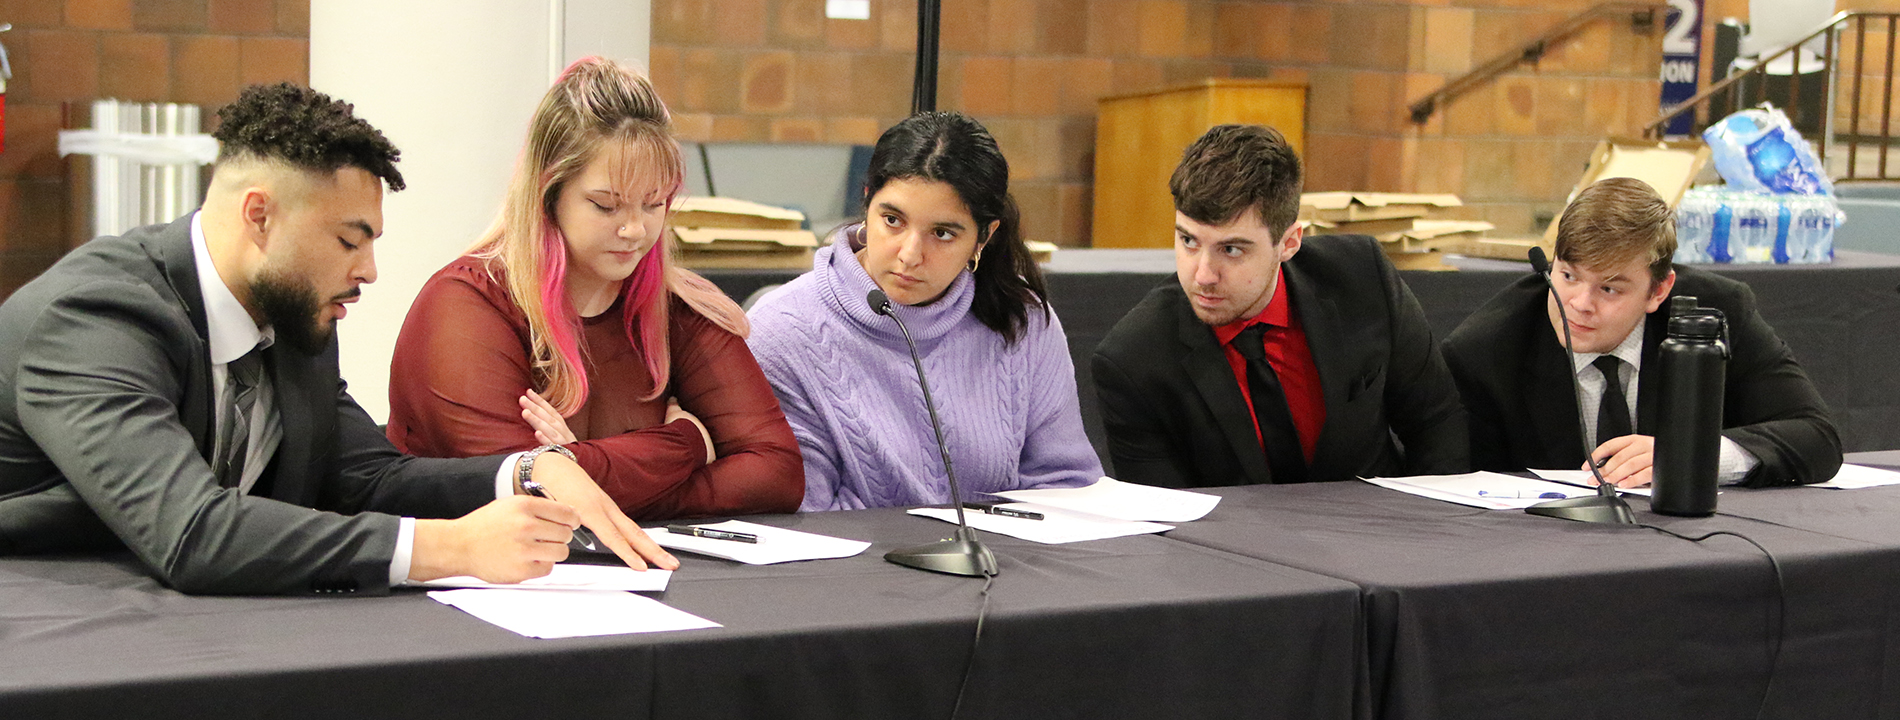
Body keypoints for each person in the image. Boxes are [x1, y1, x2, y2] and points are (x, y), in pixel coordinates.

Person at [0, 83, 675, 595]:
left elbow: (366, 477)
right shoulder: (92, 318)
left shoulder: (293, 314)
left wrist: (526, 471)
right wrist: (451, 549)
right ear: (259, 216)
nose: (369, 271)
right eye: (349, 240)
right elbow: (191, 531)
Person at [386, 58, 802, 520]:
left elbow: (777, 474)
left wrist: (583, 472)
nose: (635, 229)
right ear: (549, 194)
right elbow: (526, 492)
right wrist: (685, 444)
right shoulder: (466, 306)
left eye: (654, 203)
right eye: (606, 206)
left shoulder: (679, 305)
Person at [747, 111, 1101, 511]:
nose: (910, 255)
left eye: (943, 233)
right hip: (853, 570)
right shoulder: (783, 330)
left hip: (1001, 566)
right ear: (866, 202)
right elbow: (803, 515)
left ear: (984, 237)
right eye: (893, 220)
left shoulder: (1022, 320)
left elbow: (1067, 488)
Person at [1092, 124, 1467, 488]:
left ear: (1289, 243)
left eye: (1231, 249)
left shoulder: (1362, 280)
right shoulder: (1134, 360)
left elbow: (1437, 422)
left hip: (1381, 535)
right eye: (1188, 241)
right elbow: (1167, 522)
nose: (1203, 274)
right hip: (1228, 547)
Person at [1442, 177, 1841, 487]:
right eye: (1568, 276)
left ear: (1658, 290)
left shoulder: (1716, 313)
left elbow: (1817, 436)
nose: (1579, 303)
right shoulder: (1486, 350)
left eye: (1609, 288)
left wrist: (1690, 454)